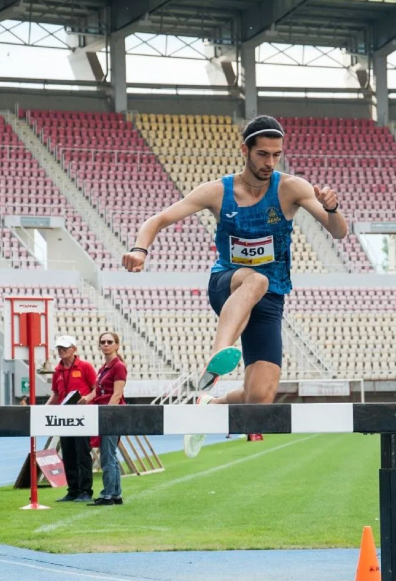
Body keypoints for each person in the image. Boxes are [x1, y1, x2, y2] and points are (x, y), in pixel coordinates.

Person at [122, 115, 348, 457]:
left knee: (259, 401)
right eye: (262, 154)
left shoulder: (291, 188)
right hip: (227, 284)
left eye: (276, 154)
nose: (270, 162)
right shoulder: (218, 191)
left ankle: (209, 406)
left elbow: (339, 231)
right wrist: (140, 250)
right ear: (245, 150)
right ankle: (215, 362)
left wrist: (333, 208)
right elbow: (158, 219)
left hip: (270, 299)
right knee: (255, 277)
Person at [46, 335, 97, 503]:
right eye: (59, 348)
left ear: (73, 349)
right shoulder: (57, 370)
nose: (61, 351)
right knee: (68, 454)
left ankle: (86, 491)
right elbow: (55, 394)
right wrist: (44, 410)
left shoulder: (85, 367)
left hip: (82, 417)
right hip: (64, 418)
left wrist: (88, 398)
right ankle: (73, 490)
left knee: (82, 454)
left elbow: (96, 388)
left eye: (65, 348)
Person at [80, 332, 127, 506]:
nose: (106, 344)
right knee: (109, 454)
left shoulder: (118, 366)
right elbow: (96, 391)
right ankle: (115, 494)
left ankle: (108, 494)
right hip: (104, 412)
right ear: (99, 346)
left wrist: (107, 415)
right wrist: (85, 399)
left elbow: (117, 394)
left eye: (109, 342)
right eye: (103, 342)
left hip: (111, 414)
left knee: (108, 455)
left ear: (116, 345)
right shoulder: (103, 368)